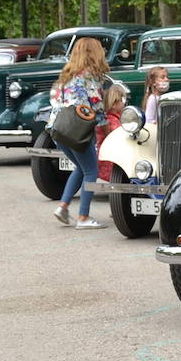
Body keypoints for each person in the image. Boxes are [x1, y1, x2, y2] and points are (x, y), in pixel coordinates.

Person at [49, 36, 109, 229]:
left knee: (80, 168)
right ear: (94, 54)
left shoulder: (66, 77)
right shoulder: (90, 77)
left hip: (59, 131)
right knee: (91, 170)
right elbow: (95, 108)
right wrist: (106, 128)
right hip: (78, 132)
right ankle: (83, 217)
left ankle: (63, 207)